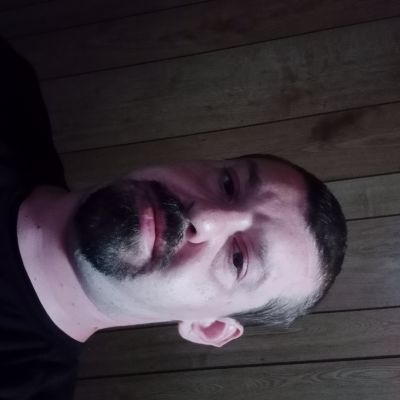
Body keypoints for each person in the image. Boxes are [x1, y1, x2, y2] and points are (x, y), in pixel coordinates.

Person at [0, 39, 347, 399]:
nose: (206, 218)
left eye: (238, 259)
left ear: (208, 327)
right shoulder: (10, 85)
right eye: (228, 184)